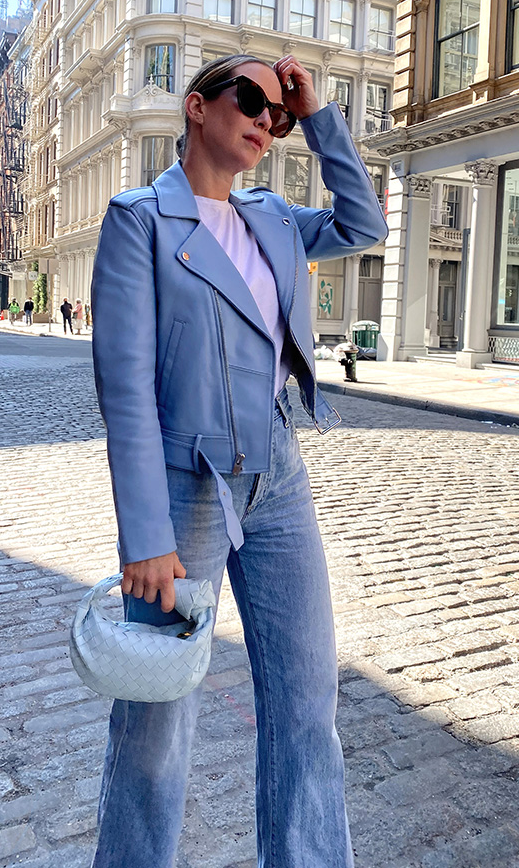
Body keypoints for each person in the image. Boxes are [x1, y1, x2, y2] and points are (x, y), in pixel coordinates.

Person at [90, 53, 387, 868]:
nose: (264, 117)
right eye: (248, 98)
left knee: (305, 704)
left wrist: (318, 112)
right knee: (156, 722)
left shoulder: (276, 220)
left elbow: (366, 222)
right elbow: (124, 390)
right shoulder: (139, 220)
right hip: (187, 491)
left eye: (276, 110)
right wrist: (144, 532)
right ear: (195, 106)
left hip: (279, 479)